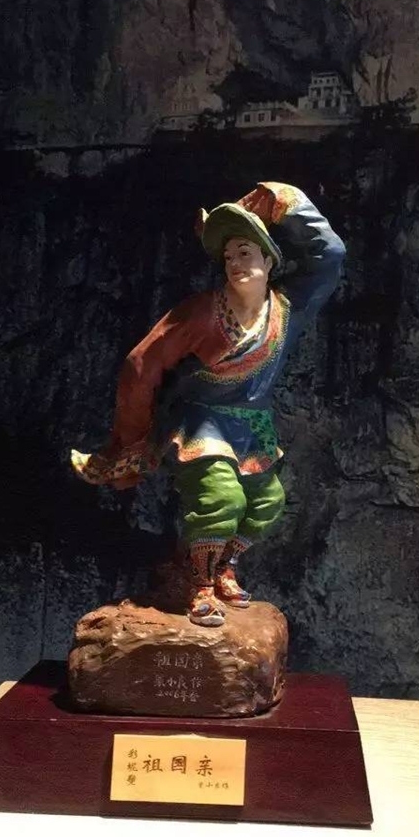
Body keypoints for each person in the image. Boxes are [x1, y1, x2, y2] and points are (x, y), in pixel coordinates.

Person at [71, 181, 345, 626]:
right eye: (229, 256)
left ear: (269, 260)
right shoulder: (200, 312)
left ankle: (221, 568)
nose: (235, 263)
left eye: (246, 252)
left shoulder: (288, 309)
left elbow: (330, 255)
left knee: (266, 504)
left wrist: (281, 202)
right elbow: (142, 365)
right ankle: (198, 586)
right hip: (202, 422)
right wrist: (133, 436)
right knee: (220, 498)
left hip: (253, 425)